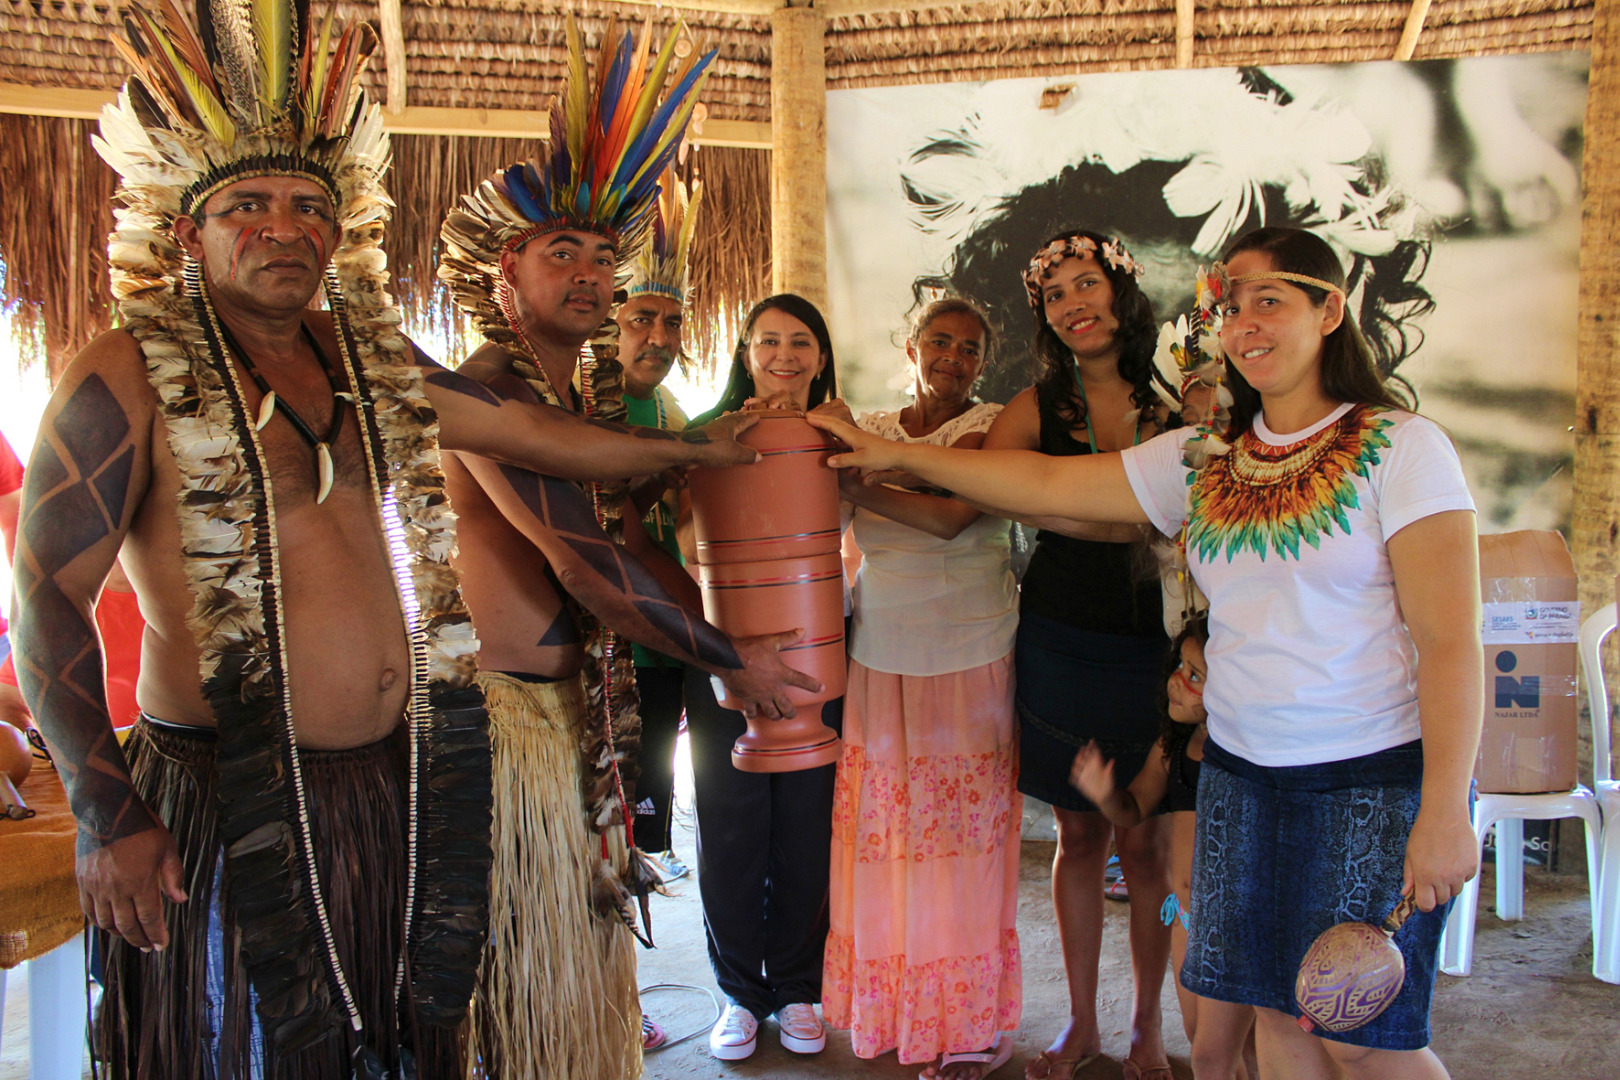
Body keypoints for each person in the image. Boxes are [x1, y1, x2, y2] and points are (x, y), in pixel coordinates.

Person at [11, 6, 757, 1078]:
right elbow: (46, 600)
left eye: (310, 205)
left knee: (401, 1044)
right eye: (249, 205)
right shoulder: (121, 376)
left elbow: (526, 431)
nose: (284, 226)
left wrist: (714, 451)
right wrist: (102, 808)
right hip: (224, 788)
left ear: (337, 231)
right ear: (187, 232)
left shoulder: (372, 356)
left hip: (391, 788)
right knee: (236, 1048)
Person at [811, 225, 1482, 1080]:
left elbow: (1454, 644)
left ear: (1329, 310)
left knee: (1351, 1029)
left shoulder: (1401, 447)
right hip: (1240, 775)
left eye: (1270, 299)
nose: (1246, 323)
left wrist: (1445, 810)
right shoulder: (1205, 460)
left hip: (1362, 781)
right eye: (1230, 306)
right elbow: (1044, 484)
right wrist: (891, 454)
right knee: (1275, 1018)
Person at [433, 25, 798, 1080]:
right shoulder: (495, 391)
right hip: (512, 730)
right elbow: (586, 562)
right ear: (508, 268)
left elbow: (644, 517)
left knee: (583, 986)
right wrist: (738, 661)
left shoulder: (581, 400)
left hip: (578, 719)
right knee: (522, 1000)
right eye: (564, 253)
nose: (592, 275)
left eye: (605, 256)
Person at [976, 230, 1178, 1080]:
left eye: (1084, 283)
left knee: (1150, 854)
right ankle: (1083, 1025)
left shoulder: (1181, 408)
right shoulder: (1033, 410)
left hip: (1154, 652)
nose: (1072, 303)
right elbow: (973, 498)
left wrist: (1062, 511)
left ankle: (1148, 1028)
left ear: (1120, 292)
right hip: (1058, 641)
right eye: (1054, 294)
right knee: (1082, 839)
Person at [818, 298, 1022, 1080]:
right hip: (881, 655)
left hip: (971, 657)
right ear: (911, 347)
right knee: (891, 843)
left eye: (969, 348)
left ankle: (966, 1025)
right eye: (939, 341)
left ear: (983, 363)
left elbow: (949, 517)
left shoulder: (994, 427)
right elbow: (822, 523)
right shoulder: (870, 424)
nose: (952, 357)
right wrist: (853, 458)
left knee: (961, 849)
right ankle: (896, 1010)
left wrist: (855, 466)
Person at [680, 294, 844, 1062]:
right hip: (723, 660)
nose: (785, 356)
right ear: (745, 354)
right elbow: (677, 544)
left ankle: (801, 989)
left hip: (816, 655)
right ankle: (741, 993)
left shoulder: (842, 436)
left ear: (821, 355)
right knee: (734, 829)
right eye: (768, 341)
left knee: (810, 829)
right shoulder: (705, 439)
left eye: (801, 341)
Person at [1071, 616, 1259, 1080]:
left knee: (1226, 1054)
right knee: (1204, 1040)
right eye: (1180, 665)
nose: (1178, 680)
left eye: (1196, 676)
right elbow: (1133, 808)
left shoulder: (1244, 754)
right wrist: (1104, 795)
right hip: (1186, 919)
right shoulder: (1170, 746)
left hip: (1234, 927)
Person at [616, 173, 703, 884]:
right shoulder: (588, 403)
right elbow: (599, 521)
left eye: (671, 322)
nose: (659, 337)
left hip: (673, 620)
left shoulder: (671, 407)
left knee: (658, 763)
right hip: (621, 631)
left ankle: (656, 845)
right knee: (621, 780)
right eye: (641, 319)